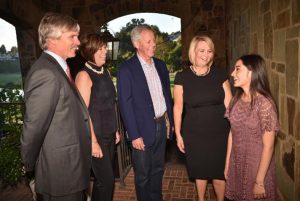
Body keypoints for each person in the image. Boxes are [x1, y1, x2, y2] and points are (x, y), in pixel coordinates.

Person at [21, 12, 91, 201]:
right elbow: (34, 126)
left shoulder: (58, 68)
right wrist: (28, 165)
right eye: (72, 36)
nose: (78, 42)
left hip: (71, 169)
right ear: (52, 39)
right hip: (62, 173)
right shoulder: (46, 73)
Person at [117, 24, 173, 201]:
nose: (153, 44)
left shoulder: (161, 65)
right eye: (148, 41)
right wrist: (134, 135)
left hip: (161, 125)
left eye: (154, 41)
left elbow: (167, 96)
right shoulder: (126, 70)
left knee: (158, 169)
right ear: (137, 44)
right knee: (142, 176)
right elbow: (125, 105)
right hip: (141, 131)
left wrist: (170, 122)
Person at [173, 35, 232, 201]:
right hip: (195, 133)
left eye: (209, 51)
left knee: (220, 173)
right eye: (201, 50)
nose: (205, 55)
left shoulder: (220, 74)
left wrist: (237, 129)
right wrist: (178, 134)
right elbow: (177, 108)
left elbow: (230, 104)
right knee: (200, 171)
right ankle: (201, 199)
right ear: (193, 51)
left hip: (220, 132)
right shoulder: (182, 77)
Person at [224, 54, 279, 201]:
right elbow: (232, 132)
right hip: (237, 163)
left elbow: (269, 147)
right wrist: (227, 163)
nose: (232, 74)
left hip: (257, 167)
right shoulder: (236, 100)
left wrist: (259, 182)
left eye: (237, 69)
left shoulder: (264, 104)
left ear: (252, 72)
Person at [75, 33, 120, 201]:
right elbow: (83, 114)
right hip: (96, 137)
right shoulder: (84, 76)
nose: (105, 51)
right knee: (107, 181)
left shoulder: (106, 72)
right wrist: (93, 142)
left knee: (104, 183)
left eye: (104, 48)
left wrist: (115, 129)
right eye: (99, 49)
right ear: (89, 52)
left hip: (109, 134)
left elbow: (110, 104)